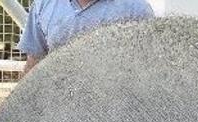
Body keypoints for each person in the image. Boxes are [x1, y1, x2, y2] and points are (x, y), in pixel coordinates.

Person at [19, 0, 155, 75]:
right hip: (58, 106)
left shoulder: (136, 8)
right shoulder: (43, 4)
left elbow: (149, 65)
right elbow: (34, 60)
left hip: (117, 106)